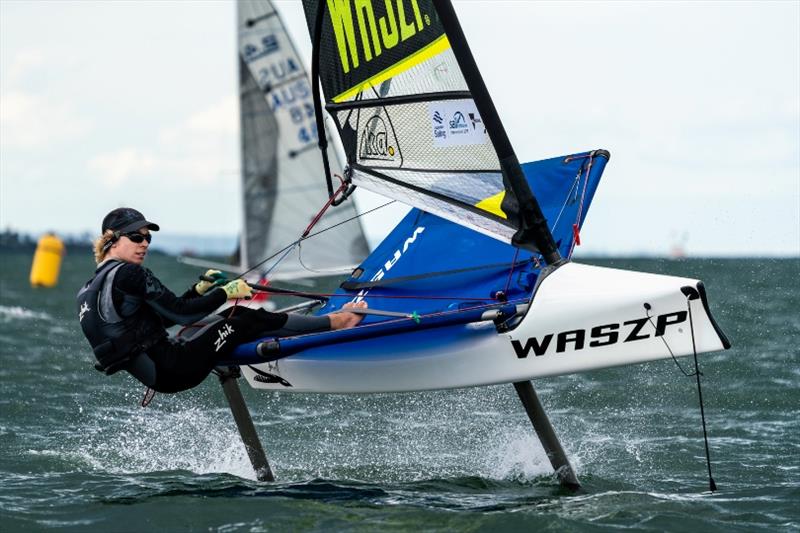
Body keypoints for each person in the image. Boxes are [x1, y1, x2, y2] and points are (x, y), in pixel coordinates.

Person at [77, 207, 366, 394]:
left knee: (224, 321)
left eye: (147, 239)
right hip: (175, 368)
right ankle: (337, 322)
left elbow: (158, 320)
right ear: (111, 240)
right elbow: (184, 316)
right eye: (136, 238)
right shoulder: (130, 274)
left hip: (160, 373)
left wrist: (199, 291)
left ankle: (297, 330)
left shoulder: (91, 287)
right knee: (247, 318)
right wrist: (226, 293)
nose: (144, 245)